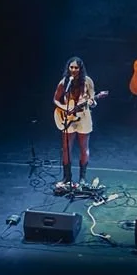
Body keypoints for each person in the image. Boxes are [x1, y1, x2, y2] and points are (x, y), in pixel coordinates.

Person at [53, 56, 98, 192]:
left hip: (83, 117)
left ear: (80, 69)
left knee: (84, 148)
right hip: (68, 118)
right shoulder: (64, 82)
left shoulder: (88, 81)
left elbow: (93, 101)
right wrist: (64, 108)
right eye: (71, 67)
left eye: (76, 67)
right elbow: (55, 99)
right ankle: (67, 177)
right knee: (66, 148)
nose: (73, 70)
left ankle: (82, 178)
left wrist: (92, 102)